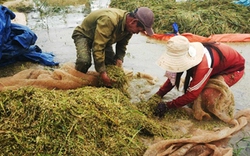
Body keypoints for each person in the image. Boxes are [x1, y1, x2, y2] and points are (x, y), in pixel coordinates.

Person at [154, 35, 245, 117]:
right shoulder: (183, 50)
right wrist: (158, 95)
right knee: (195, 95)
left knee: (206, 96)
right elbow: (172, 78)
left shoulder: (203, 65)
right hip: (216, 67)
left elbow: (192, 94)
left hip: (233, 70)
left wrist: (168, 106)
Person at [72, 7, 154, 87]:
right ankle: (77, 81)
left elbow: (122, 45)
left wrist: (119, 58)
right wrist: (102, 72)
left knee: (112, 64)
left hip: (104, 39)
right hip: (85, 36)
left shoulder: (129, 28)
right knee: (84, 61)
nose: (137, 33)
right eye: (138, 30)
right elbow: (98, 47)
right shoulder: (110, 20)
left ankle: (105, 83)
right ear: (133, 22)